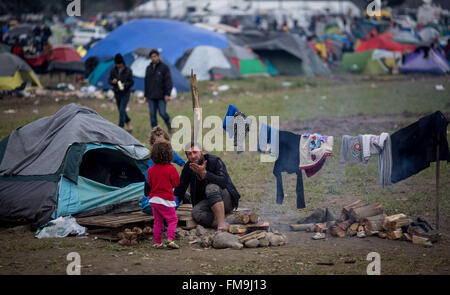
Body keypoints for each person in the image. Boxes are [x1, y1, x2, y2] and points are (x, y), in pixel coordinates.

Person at [174, 142, 241, 232]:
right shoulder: (188, 167)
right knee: (196, 213)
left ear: (202, 152)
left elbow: (224, 182)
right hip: (207, 203)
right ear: (187, 157)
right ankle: (220, 222)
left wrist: (205, 174)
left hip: (225, 200)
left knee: (211, 188)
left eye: (195, 152)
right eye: (189, 154)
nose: (193, 156)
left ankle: (221, 226)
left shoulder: (214, 161)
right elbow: (180, 189)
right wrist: (170, 205)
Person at [141, 126, 186, 215]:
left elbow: (179, 161)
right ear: (152, 144)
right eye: (157, 144)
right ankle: (149, 204)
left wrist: (184, 165)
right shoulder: (153, 159)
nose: (161, 147)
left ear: (167, 143)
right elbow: (148, 177)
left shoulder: (170, 154)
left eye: (162, 144)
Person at [147, 141, 180, 249]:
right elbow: (176, 183)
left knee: (158, 221)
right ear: (169, 154)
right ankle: (170, 239)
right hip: (166, 199)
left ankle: (157, 242)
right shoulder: (171, 169)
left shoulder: (151, 170)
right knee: (172, 220)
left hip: (154, 199)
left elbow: (150, 183)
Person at [144, 49, 173, 132]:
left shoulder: (164, 67)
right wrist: (146, 95)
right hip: (150, 96)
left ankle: (168, 123)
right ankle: (155, 132)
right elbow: (146, 82)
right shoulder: (148, 68)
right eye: (152, 57)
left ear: (158, 56)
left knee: (162, 113)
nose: (153, 58)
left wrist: (167, 94)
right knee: (152, 115)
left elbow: (168, 81)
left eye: (155, 56)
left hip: (161, 95)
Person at [108, 53, 134, 132]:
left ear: (122, 62)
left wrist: (125, 84)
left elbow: (131, 82)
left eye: (119, 63)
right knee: (120, 110)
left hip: (125, 93)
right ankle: (128, 123)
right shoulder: (113, 70)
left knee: (122, 109)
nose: (118, 65)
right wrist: (113, 81)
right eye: (116, 64)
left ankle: (120, 127)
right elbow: (109, 80)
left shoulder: (128, 70)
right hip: (117, 92)